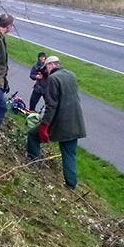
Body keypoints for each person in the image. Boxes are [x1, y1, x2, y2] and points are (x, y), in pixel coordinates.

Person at [26, 56, 87, 190]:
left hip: (60, 122)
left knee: (32, 135)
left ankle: (34, 163)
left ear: (51, 65)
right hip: (76, 122)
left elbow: (51, 106)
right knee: (69, 154)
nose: (45, 72)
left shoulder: (53, 79)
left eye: (46, 68)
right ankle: (71, 185)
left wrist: (44, 126)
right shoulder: (71, 75)